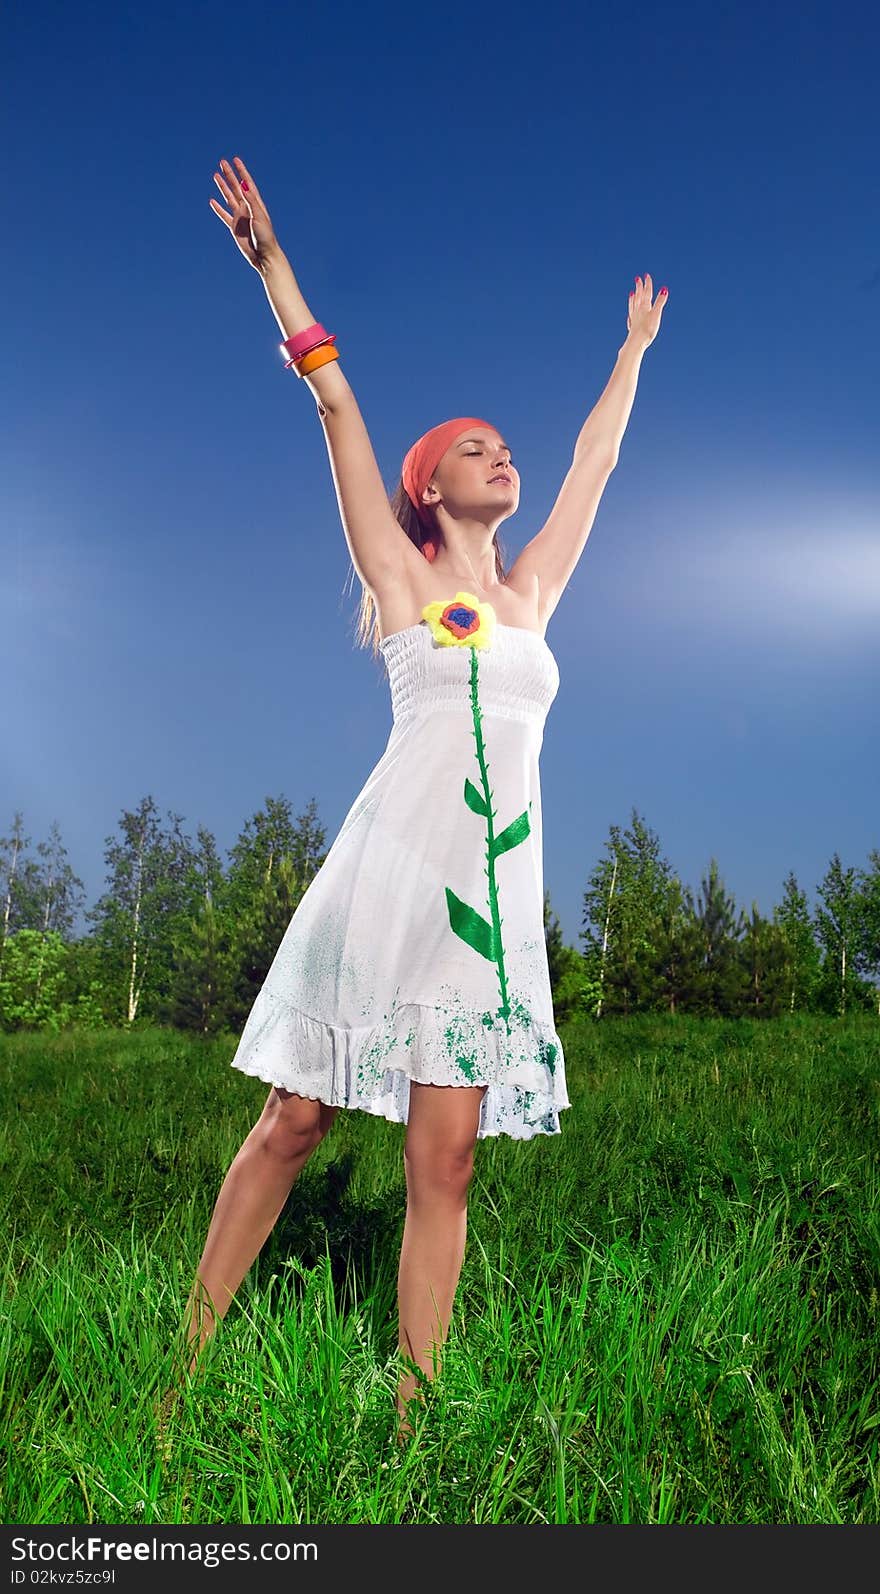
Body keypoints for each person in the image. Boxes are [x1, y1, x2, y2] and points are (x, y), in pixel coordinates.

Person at [180, 155, 667, 1445]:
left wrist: (629, 352)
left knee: (444, 1160)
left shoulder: (529, 597)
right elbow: (337, 408)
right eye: (473, 449)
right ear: (428, 487)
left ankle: (414, 1421)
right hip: (391, 870)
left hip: (488, 905)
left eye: (503, 448)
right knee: (293, 1117)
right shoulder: (402, 581)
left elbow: (596, 462)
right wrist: (273, 265)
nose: (498, 457)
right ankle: (177, 1370)